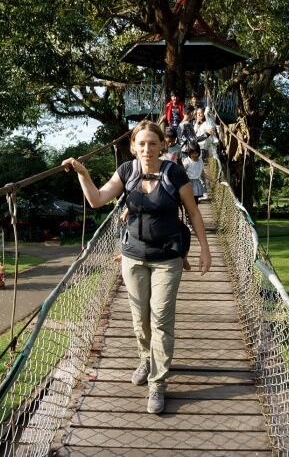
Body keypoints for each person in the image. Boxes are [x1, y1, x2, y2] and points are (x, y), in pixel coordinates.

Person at [61, 120, 212, 414]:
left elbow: (193, 212)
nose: (147, 149)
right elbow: (96, 200)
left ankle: (158, 385)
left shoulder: (174, 172)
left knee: (160, 320)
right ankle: (146, 357)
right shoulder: (127, 172)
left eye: (153, 143)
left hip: (168, 258)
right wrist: (83, 173)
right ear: (133, 147)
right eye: (141, 144)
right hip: (132, 256)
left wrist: (205, 250)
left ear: (162, 146)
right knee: (140, 320)